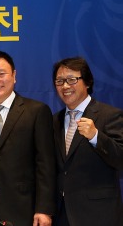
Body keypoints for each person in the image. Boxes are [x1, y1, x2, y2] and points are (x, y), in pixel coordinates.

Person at [0, 51, 55, 226]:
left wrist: (44, 208)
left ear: (14, 75)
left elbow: (46, 164)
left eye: (1, 74)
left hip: (23, 207)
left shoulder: (36, 111)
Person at [51, 57, 123, 225]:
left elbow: (121, 159)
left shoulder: (110, 115)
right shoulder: (54, 121)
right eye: (60, 81)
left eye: (72, 80)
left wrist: (96, 137)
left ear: (88, 82)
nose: (65, 86)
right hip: (62, 214)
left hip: (98, 214)